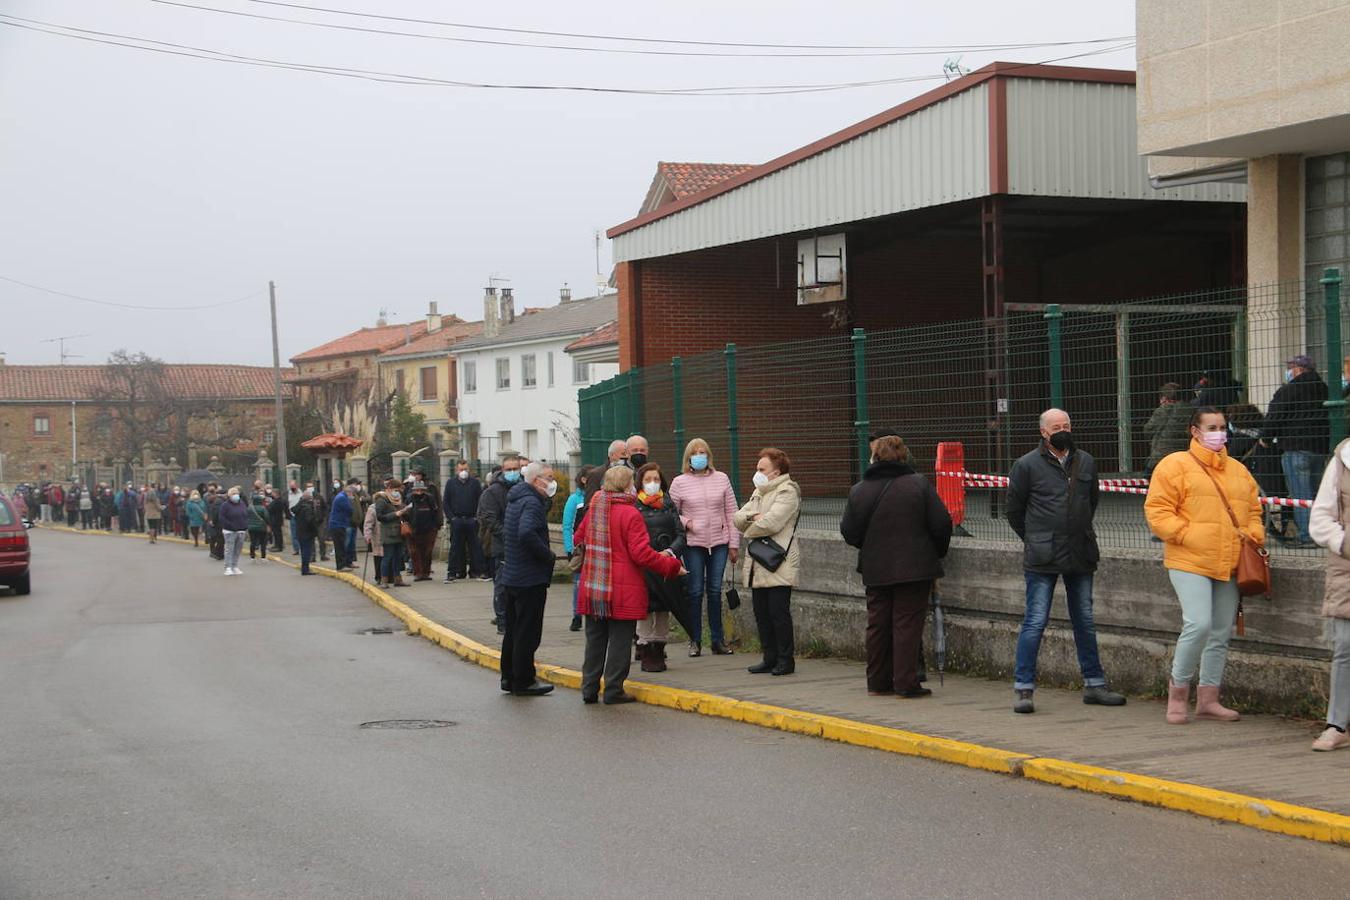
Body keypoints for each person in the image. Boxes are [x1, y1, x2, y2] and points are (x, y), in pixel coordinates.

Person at [1145, 407, 1264, 725]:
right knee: (1198, 624)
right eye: (1212, 426)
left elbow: (1254, 509)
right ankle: (1178, 692)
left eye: (1223, 426)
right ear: (1194, 431)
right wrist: (1186, 534)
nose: (1220, 432)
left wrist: (1252, 534)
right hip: (1189, 559)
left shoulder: (1238, 470)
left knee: (1221, 630)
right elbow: (1158, 511)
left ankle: (1209, 699)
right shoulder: (1174, 465)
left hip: (1229, 560)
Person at [1006, 409, 1126, 714]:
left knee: (1084, 619)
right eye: (1057, 427)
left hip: (1080, 551)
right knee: (1035, 621)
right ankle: (1023, 689)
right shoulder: (1026, 465)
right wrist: (1034, 539)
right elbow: (1014, 511)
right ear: (1044, 432)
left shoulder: (1085, 461)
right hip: (1042, 555)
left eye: (1067, 425)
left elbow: (1091, 502)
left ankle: (1094, 684)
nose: (1064, 430)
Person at [841, 434, 952, 698]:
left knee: (877, 624)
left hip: (875, 567)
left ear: (874, 457)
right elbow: (941, 524)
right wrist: (934, 551)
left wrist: (870, 548)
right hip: (915, 567)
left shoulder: (859, 489)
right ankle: (906, 682)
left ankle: (877, 682)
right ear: (904, 456)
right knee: (907, 624)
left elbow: (849, 531)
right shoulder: (918, 484)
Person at [575, 465, 685, 704]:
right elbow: (641, 555)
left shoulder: (595, 507)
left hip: (594, 587)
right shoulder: (630, 513)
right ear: (627, 486)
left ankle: (589, 689)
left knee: (595, 641)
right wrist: (672, 566)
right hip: (623, 590)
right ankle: (613, 690)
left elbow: (578, 538)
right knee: (620, 641)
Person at [733, 448, 801, 676]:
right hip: (757, 563)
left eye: (762, 469)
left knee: (778, 613)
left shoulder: (787, 491)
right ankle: (769, 657)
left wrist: (748, 525)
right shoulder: (759, 492)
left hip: (778, 561)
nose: (757, 472)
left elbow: (772, 522)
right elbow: (737, 517)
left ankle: (785, 659)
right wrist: (753, 517)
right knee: (761, 613)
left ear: (776, 471)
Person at [670, 438, 740, 657]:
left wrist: (734, 544)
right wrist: (688, 523)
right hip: (693, 544)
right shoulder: (679, 482)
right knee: (695, 591)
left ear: (709, 456)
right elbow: (671, 514)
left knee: (714, 591)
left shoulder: (722, 479)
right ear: (688, 457)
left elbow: (732, 511)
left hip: (719, 542)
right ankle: (695, 640)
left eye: (703, 452)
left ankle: (717, 641)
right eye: (695, 452)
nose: (699, 455)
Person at [497, 461, 561, 696]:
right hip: (529, 577)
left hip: (513, 574)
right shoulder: (532, 503)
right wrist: (548, 556)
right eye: (550, 477)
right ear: (536, 480)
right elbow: (526, 533)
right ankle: (524, 679)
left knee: (513, 630)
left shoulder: (516, 498)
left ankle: (509, 677)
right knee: (527, 632)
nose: (553, 482)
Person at [1307, 443, 1350, 751]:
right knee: (1345, 647)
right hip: (1348, 568)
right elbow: (1320, 519)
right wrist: (1345, 542)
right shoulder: (1343, 459)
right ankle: (1337, 724)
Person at [1263, 354, 1330, 547]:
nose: (1289, 371)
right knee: (1316, 493)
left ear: (1298, 369)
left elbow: (1275, 416)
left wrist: (1265, 438)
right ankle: (1320, 533)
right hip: (1319, 448)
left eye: (1290, 367)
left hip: (1295, 447)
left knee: (1301, 494)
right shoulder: (1324, 389)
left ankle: (1307, 536)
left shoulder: (1289, 390)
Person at [634, 462, 686, 673]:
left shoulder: (668, 503)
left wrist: (669, 552)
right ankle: (645, 649)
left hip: (666, 564)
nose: (652, 484)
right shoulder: (634, 506)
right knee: (645, 609)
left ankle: (659, 649)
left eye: (656, 480)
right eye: (648, 480)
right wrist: (647, 554)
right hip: (644, 565)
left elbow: (680, 534)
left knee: (664, 608)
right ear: (640, 483)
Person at [478, 456, 520, 634]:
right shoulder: (493, 492)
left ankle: (516, 619)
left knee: (520, 587)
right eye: (508, 469)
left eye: (515, 469)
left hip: (523, 547)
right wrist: (508, 535)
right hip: (503, 547)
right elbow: (489, 518)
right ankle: (502, 620)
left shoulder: (524, 488)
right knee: (502, 586)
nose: (512, 472)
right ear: (502, 470)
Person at [444, 460, 485, 582]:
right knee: (456, 548)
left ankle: (477, 571)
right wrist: (452, 518)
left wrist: (477, 518)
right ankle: (453, 572)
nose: (463, 472)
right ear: (457, 470)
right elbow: (446, 502)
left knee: (476, 547)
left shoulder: (475, 483)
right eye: (461, 469)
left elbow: (480, 501)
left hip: (472, 520)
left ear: (469, 470)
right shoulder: (451, 483)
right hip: (457, 520)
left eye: (466, 469)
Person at [561, 466, 591, 631]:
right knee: (578, 583)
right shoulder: (574, 499)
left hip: (595, 547)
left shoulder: (597, 497)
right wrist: (569, 548)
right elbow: (567, 525)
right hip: (579, 548)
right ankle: (577, 616)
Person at [1144, 383, 1191, 476]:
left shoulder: (1161, 410)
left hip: (1161, 456)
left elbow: (1148, 430)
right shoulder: (1190, 410)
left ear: (1164, 398)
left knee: (1148, 476)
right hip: (1185, 455)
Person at [374, 478, 408, 588]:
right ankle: (384, 580)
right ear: (389, 488)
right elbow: (380, 516)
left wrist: (404, 511)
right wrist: (395, 514)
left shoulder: (398, 499)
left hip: (399, 531)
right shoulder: (382, 499)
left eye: (399, 490)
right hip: (388, 532)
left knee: (398, 557)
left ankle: (397, 579)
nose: (397, 492)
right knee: (387, 557)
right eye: (396, 489)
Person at [405, 480, 441, 581]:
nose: (419, 492)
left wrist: (435, 526)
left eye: (421, 489)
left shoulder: (430, 498)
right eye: (417, 490)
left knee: (427, 552)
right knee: (415, 552)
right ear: (413, 490)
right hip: (413, 529)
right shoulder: (409, 498)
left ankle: (426, 573)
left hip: (429, 529)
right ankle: (418, 573)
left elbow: (435, 512)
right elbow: (406, 513)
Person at [218, 486, 249, 575]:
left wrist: (245, 525)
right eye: (233, 494)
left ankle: (235, 566)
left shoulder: (242, 504)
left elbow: (245, 515)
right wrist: (230, 525)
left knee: (237, 550)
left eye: (237, 494)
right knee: (229, 549)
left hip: (241, 530)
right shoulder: (225, 505)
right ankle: (228, 567)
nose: (236, 495)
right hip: (230, 531)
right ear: (229, 495)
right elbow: (222, 517)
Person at [294, 486, 320, 575]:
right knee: (307, 552)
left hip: (300, 532)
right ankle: (305, 569)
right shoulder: (308, 508)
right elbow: (310, 520)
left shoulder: (299, 506)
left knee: (304, 551)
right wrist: (315, 528)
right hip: (307, 533)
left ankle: (305, 568)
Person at [327, 481, 353, 571]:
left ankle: (343, 564)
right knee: (340, 546)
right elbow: (349, 510)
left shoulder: (340, 496)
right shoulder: (342, 498)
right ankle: (341, 566)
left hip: (338, 524)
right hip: (338, 525)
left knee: (341, 545)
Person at [247, 490, 270, 560]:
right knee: (263, 542)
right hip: (261, 528)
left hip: (251, 528)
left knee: (253, 542)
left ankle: (252, 556)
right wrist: (268, 525)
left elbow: (246, 516)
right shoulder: (263, 508)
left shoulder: (249, 508)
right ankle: (263, 557)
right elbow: (267, 517)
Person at [286, 481, 302, 555]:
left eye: (293, 486)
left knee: (301, 533)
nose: (292, 488)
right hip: (292, 516)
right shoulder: (288, 494)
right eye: (291, 486)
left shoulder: (301, 494)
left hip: (300, 516)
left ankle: (301, 548)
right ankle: (296, 549)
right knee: (294, 533)